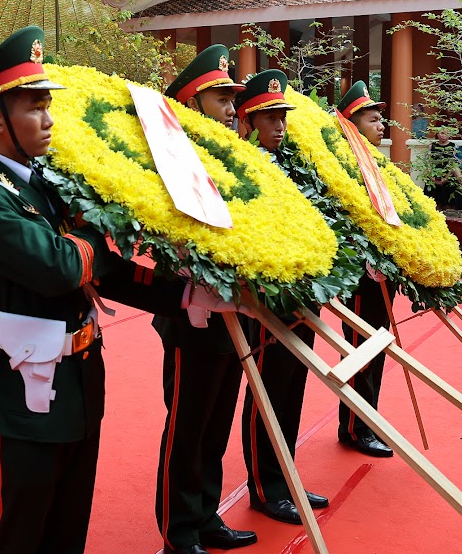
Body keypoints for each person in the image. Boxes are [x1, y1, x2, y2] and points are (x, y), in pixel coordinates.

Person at [0, 26, 235, 554]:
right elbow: (59, 266)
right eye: (34, 107)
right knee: (21, 529)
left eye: (46, 105)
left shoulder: (49, 183)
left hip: (81, 378)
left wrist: (186, 295)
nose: (49, 119)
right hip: (28, 385)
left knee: (68, 526)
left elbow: (103, 272)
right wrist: (100, 226)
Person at [153, 45, 256, 554]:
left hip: (235, 307)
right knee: (188, 427)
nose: (232, 108)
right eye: (221, 98)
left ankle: (206, 515)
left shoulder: (232, 157)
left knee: (216, 423)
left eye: (232, 98)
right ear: (192, 103)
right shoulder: (170, 160)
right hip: (192, 313)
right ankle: (179, 529)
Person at [235, 70, 329, 525]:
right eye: (269, 118)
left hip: (303, 294)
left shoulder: (294, 164)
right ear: (248, 121)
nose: (279, 126)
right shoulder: (242, 165)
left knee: (293, 390)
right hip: (268, 299)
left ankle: (286, 477)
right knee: (270, 393)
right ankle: (266, 487)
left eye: (282, 118)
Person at [334, 81, 396, 458]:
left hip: (381, 277)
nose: (382, 125)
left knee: (377, 350)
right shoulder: (343, 166)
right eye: (374, 120)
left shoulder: (374, 162)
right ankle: (356, 427)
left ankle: (366, 421)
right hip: (360, 276)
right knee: (361, 352)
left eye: (381, 119)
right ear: (353, 125)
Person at [424, 126, 457, 210]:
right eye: (442, 133)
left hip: (447, 175)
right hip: (433, 175)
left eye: (446, 133)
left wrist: (446, 178)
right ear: (437, 134)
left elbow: (453, 164)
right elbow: (427, 162)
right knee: (431, 201)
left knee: (447, 197)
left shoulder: (454, 146)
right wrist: (432, 178)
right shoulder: (432, 146)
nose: (443, 136)